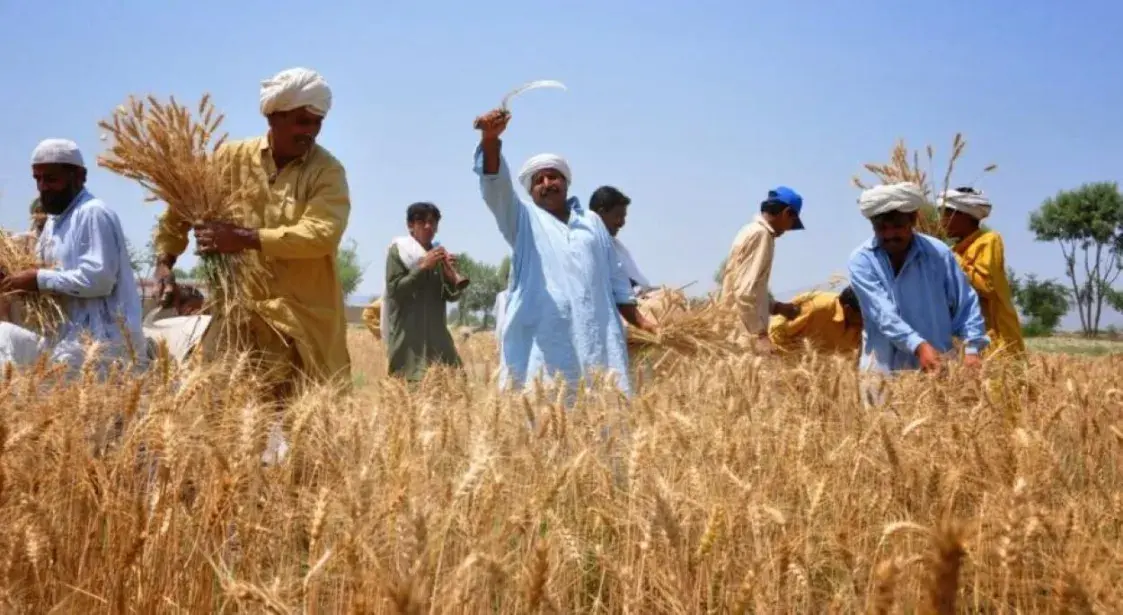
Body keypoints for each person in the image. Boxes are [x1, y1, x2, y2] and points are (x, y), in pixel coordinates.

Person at [152, 66, 352, 397]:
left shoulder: (327, 172)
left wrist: (244, 239)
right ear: (274, 116)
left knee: (310, 433)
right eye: (303, 121)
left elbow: (321, 234)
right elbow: (181, 205)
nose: (312, 131)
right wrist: (165, 262)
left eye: (318, 122)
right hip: (237, 321)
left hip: (301, 326)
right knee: (226, 424)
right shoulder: (229, 159)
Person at [472, 108, 656, 400]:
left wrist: (643, 323)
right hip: (544, 347)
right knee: (544, 420)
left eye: (553, 177)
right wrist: (491, 139)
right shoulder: (522, 220)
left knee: (600, 419)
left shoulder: (592, 223)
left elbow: (617, 282)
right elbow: (497, 189)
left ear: (566, 182)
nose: (547, 184)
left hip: (595, 346)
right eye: (539, 180)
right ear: (530, 190)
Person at [0, 138, 146, 373]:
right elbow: (48, 275)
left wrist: (37, 280)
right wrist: (13, 279)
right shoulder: (52, 223)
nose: (43, 187)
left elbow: (99, 280)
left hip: (104, 345)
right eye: (38, 179)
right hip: (67, 341)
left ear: (79, 176)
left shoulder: (93, 213)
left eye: (51, 179)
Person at [848, 182, 989, 406]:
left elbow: (966, 303)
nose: (890, 234)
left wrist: (972, 348)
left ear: (913, 220)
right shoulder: (861, 261)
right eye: (881, 228)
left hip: (937, 372)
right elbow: (883, 314)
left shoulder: (938, 254)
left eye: (897, 226)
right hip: (881, 375)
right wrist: (919, 346)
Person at [380, 202, 465, 382]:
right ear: (410, 225)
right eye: (422, 222)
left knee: (453, 386)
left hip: (438, 338)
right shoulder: (399, 251)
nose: (428, 227)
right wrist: (422, 267)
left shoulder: (438, 254)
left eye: (433, 222)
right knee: (407, 391)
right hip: (409, 341)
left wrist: (451, 277)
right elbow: (395, 290)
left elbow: (451, 296)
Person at [939, 187, 1025, 359]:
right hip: (968, 339)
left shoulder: (989, 240)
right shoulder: (953, 251)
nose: (942, 220)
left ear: (965, 215)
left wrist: (954, 262)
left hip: (996, 337)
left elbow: (986, 285)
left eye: (947, 213)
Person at [719, 187, 805, 350]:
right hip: (744, 334)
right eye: (791, 224)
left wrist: (776, 307)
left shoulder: (749, 230)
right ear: (787, 213)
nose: (787, 230)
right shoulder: (762, 235)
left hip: (732, 327)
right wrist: (760, 335)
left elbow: (748, 286)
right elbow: (745, 290)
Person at [589, 185, 653, 295]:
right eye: (618, 216)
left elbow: (638, 283)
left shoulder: (615, 245)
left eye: (624, 217)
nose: (622, 223)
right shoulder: (589, 244)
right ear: (601, 213)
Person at [767, 286, 863, 355]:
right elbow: (779, 331)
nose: (869, 318)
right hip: (779, 355)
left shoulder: (861, 327)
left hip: (816, 370)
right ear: (848, 309)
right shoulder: (818, 308)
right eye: (864, 314)